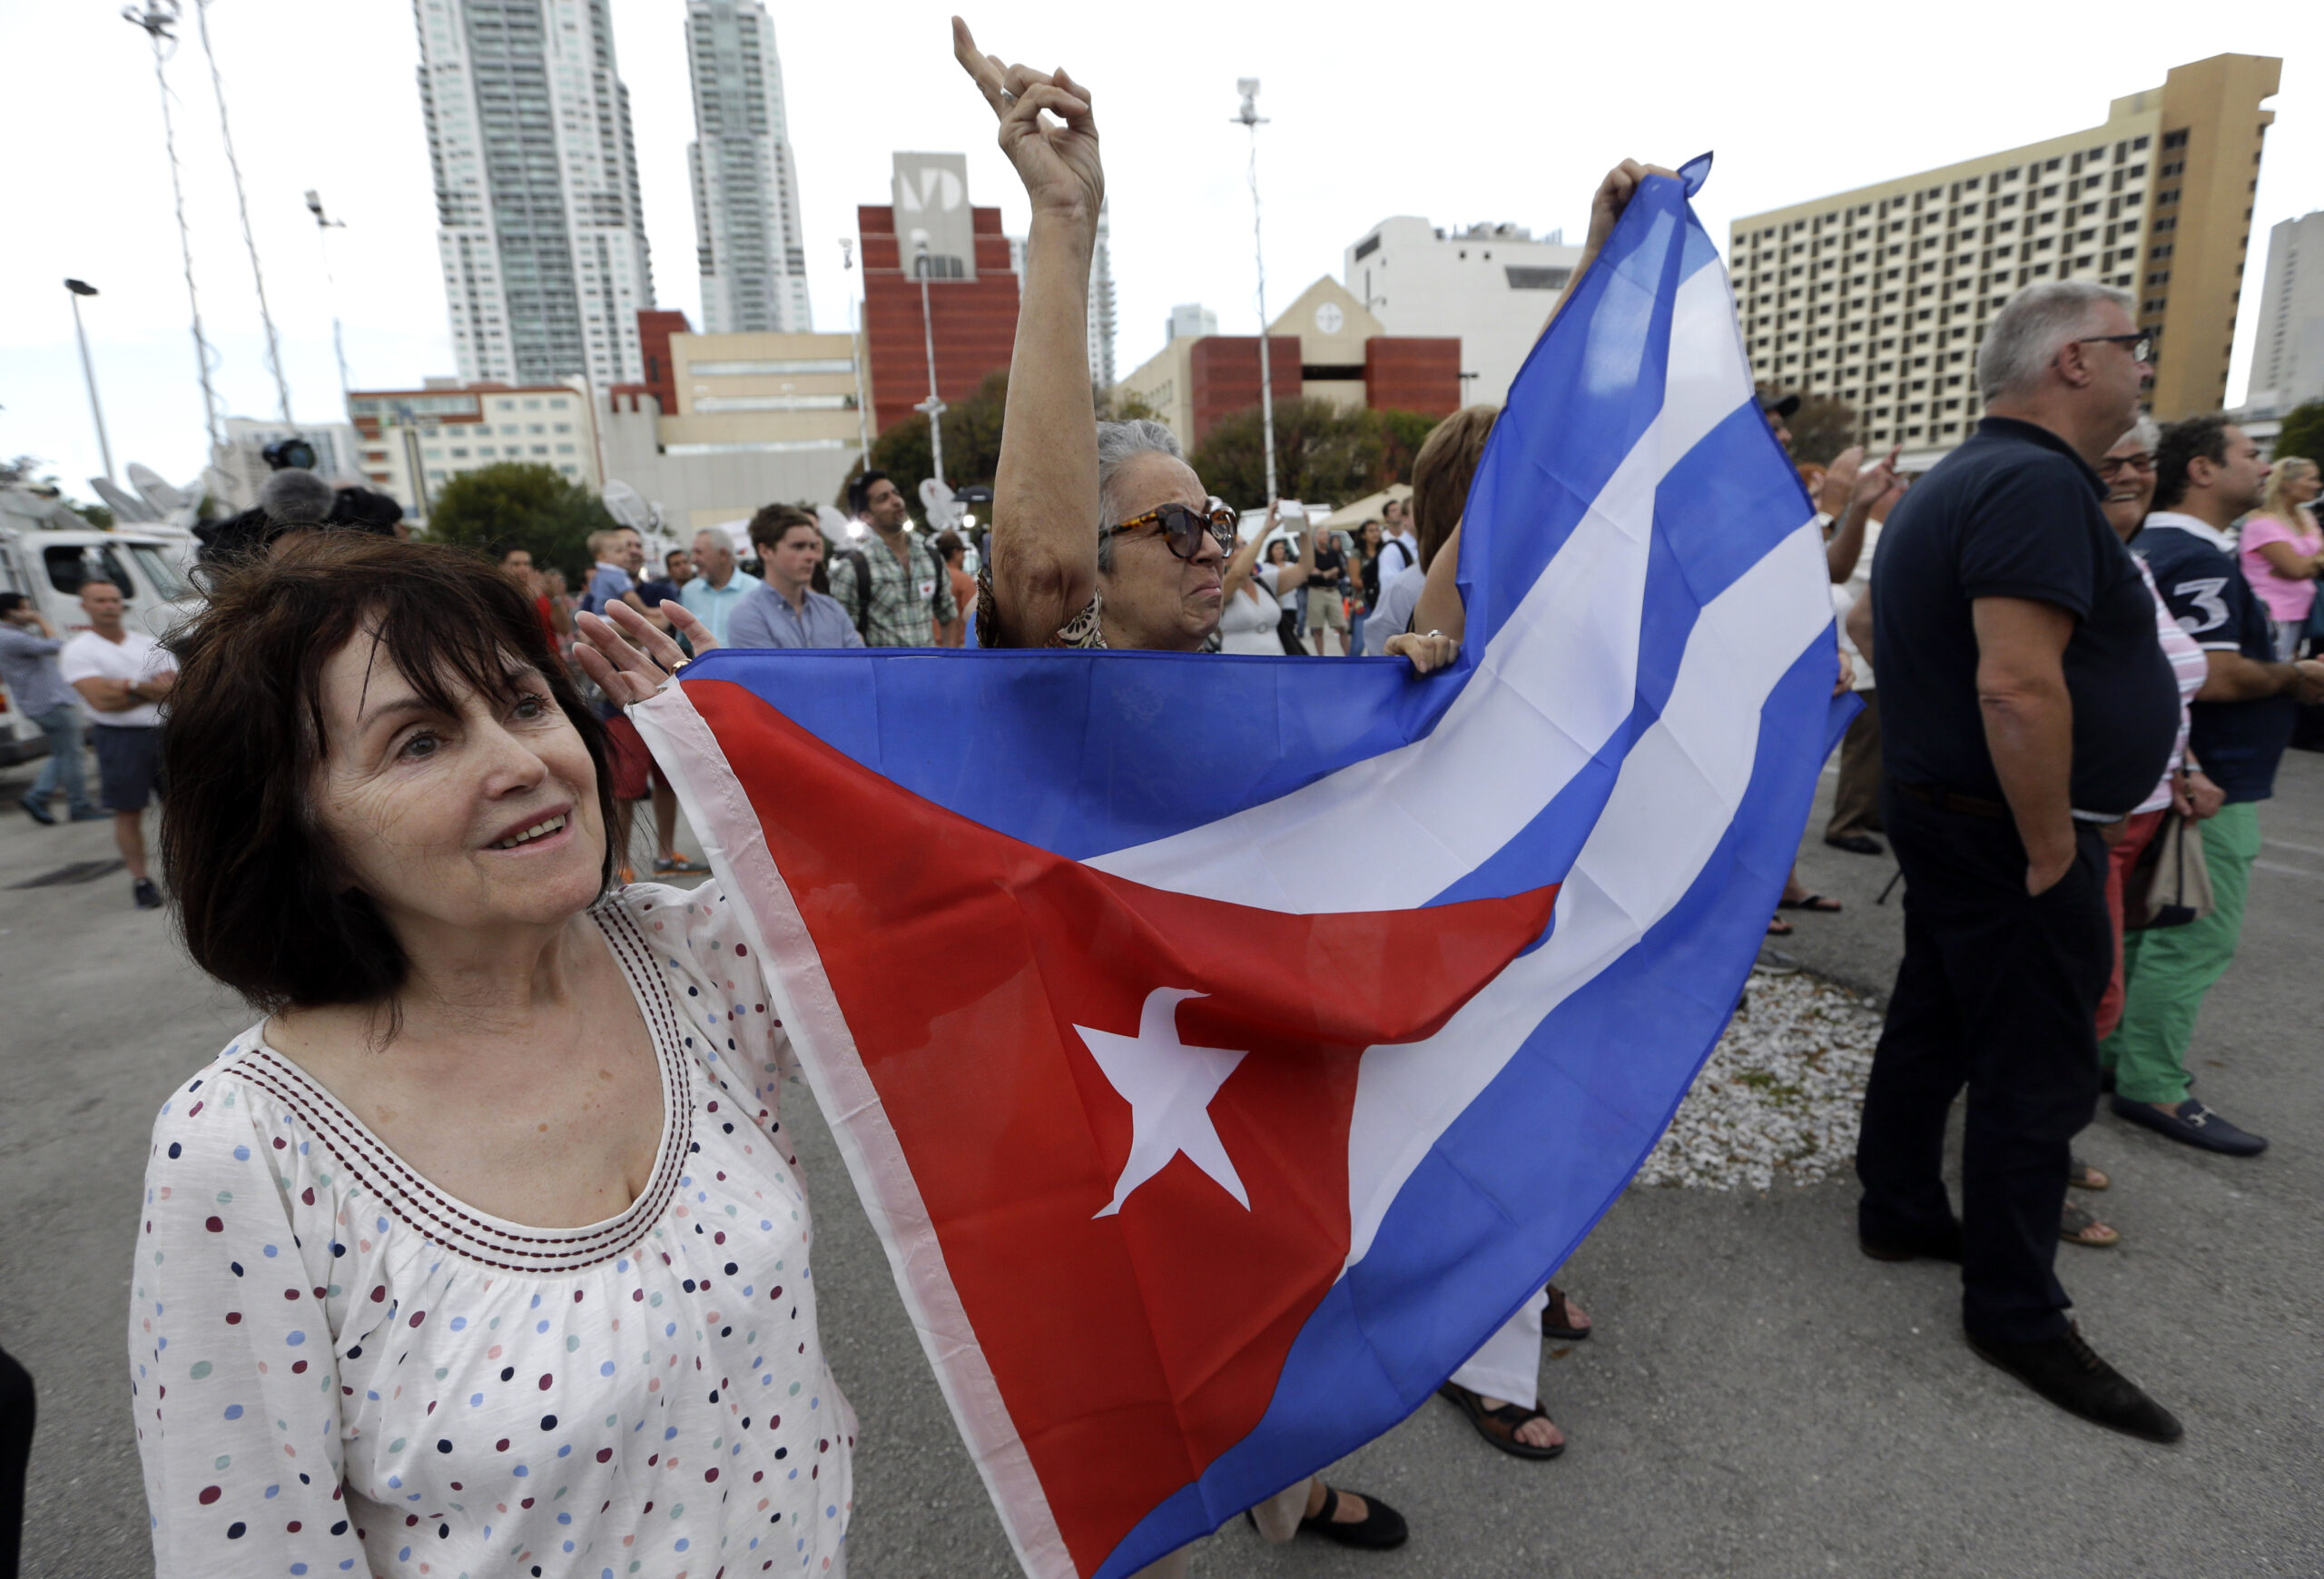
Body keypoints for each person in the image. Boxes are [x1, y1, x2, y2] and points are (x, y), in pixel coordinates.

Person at [953, 22, 1459, 1559]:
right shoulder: (1044, 692)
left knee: (1267, 1293)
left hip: (1239, 1064)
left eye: (1213, 517)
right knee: (1134, 1349)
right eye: (1169, 526)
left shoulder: (1262, 685)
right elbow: (1030, 558)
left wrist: (1417, 675)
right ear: (1085, 570)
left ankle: (1283, 1482)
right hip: (1096, 1093)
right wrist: (1063, 227)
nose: (1209, 543)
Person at [133, 534, 850, 1577]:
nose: (523, 764)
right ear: (304, 830)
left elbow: (983, 897)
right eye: (419, 742)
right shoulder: (246, 1147)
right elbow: (246, 1550)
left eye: (522, 703)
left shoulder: (693, 957)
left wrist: (774, 759)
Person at [1844, 280, 2183, 1442]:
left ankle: (1895, 1207)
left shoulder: (1955, 479)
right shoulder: (2032, 483)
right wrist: (2051, 843)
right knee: (2035, 1069)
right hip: (2005, 827)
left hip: (1950, 812)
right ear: (2073, 363)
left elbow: (1889, 635)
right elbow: (2015, 679)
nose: (2144, 368)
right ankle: (2015, 1309)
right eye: (2131, 348)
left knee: (1934, 1018)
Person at [2101, 416, 2324, 1156]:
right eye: (2249, 452)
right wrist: (2297, 675)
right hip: (2210, 783)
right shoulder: (2192, 558)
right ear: (2200, 469)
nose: (2262, 464)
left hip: (2181, 774)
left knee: (2143, 930)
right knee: (2190, 933)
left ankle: (2113, 1058)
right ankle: (2154, 1081)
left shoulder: (2158, 548)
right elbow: (2216, 674)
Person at [2058, 419, 2222, 1251]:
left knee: (2089, 998)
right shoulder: (2070, 558)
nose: (2127, 474)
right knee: (2086, 1000)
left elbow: (2164, 684)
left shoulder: (2138, 566)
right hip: (2092, 817)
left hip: (2149, 808)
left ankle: (2043, 1149)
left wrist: (2186, 762)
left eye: (2138, 461)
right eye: (2107, 461)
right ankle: (2031, 1165)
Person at [58, 581, 175, 909]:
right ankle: (141, 880)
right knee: (128, 812)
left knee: (180, 810)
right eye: (100, 600)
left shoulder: (149, 644)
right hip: (119, 738)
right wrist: (148, 689)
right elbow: (101, 701)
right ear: (85, 606)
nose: (109, 606)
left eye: (113, 600)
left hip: (165, 733)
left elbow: (176, 692)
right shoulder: (79, 650)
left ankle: (187, 874)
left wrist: (127, 686)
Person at [1, 591, 102, 825]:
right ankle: (78, 806)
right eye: (25, 608)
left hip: (43, 702)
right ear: (10, 612)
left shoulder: (11, 634)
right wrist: (40, 620)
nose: (30, 613)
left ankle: (38, 796)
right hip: (50, 703)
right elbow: (56, 645)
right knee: (72, 755)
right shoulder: (10, 637)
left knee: (63, 753)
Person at [827, 470, 958, 646]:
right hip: (881, 673)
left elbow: (949, 616)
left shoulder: (930, 556)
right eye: (883, 498)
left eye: (895, 493)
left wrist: (947, 668)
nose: (896, 501)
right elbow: (840, 634)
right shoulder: (853, 568)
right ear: (866, 516)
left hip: (929, 671)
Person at [728, 507, 866, 649]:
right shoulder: (748, 616)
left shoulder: (831, 609)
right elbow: (770, 672)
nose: (811, 556)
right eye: (798, 547)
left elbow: (860, 666)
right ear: (765, 551)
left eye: (812, 546)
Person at [2234, 455, 2322, 659]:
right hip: (2274, 613)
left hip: (2305, 610)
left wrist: (2303, 565)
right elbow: (2296, 569)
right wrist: (2309, 564)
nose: (2317, 485)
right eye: (2311, 479)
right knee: (2276, 667)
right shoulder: (2263, 523)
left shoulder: (2305, 516)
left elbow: (2297, 568)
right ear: (2286, 483)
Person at [1219, 506, 1315, 655]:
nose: (1245, 549)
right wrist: (1266, 529)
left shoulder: (1263, 582)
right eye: (1237, 546)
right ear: (1224, 559)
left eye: (1246, 544)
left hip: (1276, 667)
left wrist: (1304, 528)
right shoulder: (1222, 588)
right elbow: (1238, 574)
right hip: (1239, 670)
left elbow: (1304, 569)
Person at [677, 526, 763, 645]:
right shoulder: (689, 592)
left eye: (699, 552)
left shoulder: (757, 591)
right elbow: (684, 644)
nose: (693, 559)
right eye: (693, 552)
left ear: (722, 554)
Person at [1305, 520, 1355, 655]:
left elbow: (1341, 572)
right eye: (1321, 534)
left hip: (1333, 591)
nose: (1325, 536)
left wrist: (1323, 573)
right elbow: (1309, 576)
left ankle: (1347, 656)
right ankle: (1321, 657)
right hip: (1316, 591)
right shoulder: (1311, 555)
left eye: (1326, 533)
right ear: (1315, 537)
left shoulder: (1333, 553)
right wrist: (1328, 573)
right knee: (1318, 628)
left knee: (1342, 626)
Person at [932, 530, 976, 646]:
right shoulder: (964, 580)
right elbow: (974, 618)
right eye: (963, 553)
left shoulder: (930, 578)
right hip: (957, 647)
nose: (964, 558)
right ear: (956, 552)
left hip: (930, 647)